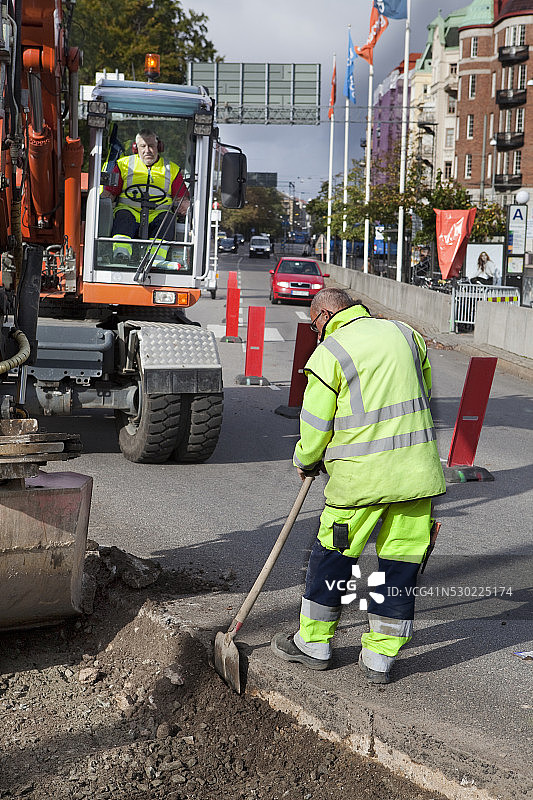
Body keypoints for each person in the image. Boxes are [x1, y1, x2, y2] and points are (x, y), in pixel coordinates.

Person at [271, 288, 446, 684]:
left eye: (315, 324)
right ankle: (380, 657)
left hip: (361, 481)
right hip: (416, 476)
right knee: (401, 563)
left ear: (326, 314)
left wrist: (306, 459)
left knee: (334, 556)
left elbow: (316, 422)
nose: (316, 332)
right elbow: (424, 393)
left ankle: (313, 643)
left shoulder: (330, 352)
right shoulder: (406, 334)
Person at [101, 129, 190, 263]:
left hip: (159, 213)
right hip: (129, 211)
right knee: (123, 217)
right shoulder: (123, 165)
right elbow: (109, 193)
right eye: (143, 146)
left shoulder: (172, 169)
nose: (147, 150)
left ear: (159, 147)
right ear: (136, 148)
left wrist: (184, 207)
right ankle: (121, 255)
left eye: (151, 146)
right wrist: (101, 203)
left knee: (168, 219)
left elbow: (181, 200)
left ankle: (156, 259)